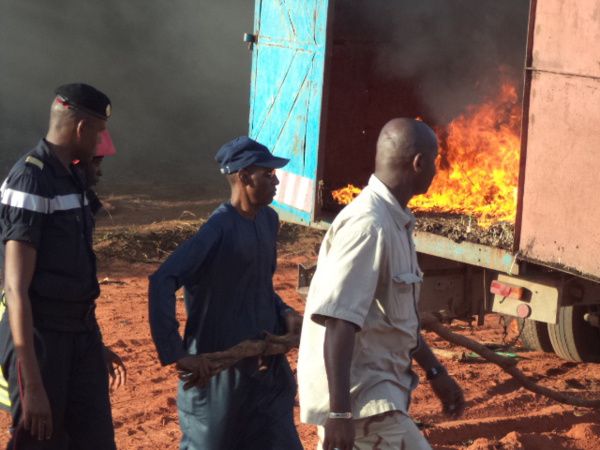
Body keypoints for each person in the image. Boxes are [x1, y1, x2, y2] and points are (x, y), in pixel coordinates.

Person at [297, 118, 466, 450]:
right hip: (364, 409)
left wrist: (435, 373)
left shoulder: (396, 223)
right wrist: (341, 414)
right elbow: (339, 322)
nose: (436, 170)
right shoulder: (368, 226)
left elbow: (395, 320)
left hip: (382, 402)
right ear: (418, 163)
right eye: (434, 161)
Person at [148, 136, 304, 450]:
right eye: (268, 174)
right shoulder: (217, 229)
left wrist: (284, 312)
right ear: (244, 176)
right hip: (218, 376)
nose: (276, 181)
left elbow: (257, 284)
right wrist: (176, 352)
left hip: (265, 369)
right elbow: (162, 279)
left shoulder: (268, 220)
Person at [0, 83, 126, 449]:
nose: (102, 139)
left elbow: (76, 273)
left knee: (96, 440)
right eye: (100, 131)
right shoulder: (31, 179)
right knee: (40, 441)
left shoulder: (72, 178)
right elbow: (16, 288)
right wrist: (33, 384)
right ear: (82, 129)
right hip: (40, 341)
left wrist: (92, 343)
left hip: (79, 334)